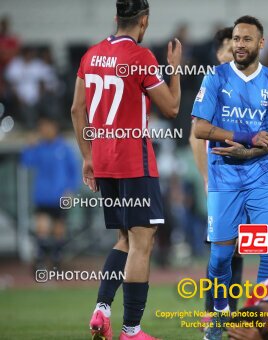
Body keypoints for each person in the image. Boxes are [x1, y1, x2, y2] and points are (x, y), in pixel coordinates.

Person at [70, 0, 181, 339]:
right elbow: (172, 108)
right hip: (134, 160)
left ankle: (102, 308)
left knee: (125, 238)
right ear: (144, 22)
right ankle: (131, 330)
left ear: (116, 17)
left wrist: (88, 157)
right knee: (142, 243)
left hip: (104, 161)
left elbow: (77, 110)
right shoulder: (141, 57)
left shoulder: (90, 55)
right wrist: (174, 68)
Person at [192, 15, 268, 340]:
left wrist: (250, 153)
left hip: (262, 179)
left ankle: (264, 327)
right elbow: (199, 128)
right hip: (224, 179)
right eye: (236, 39)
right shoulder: (214, 78)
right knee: (221, 256)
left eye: (246, 39)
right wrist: (248, 137)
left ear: (260, 43)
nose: (239, 44)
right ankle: (220, 315)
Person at [189, 26, 245, 326]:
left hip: (248, 181)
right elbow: (195, 136)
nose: (233, 50)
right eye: (227, 46)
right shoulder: (212, 83)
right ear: (218, 52)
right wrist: (206, 177)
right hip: (222, 181)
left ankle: (229, 313)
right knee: (221, 249)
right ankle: (212, 311)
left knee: (240, 249)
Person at [21, 116, 80, 271]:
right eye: (41, 127)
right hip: (42, 195)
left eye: (46, 126)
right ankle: (40, 260)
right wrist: (29, 146)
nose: (43, 130)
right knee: (42, 229)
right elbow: (26, 162)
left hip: (60, 196)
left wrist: (70, 190)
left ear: (54, 127)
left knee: (59, 230)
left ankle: (56, 261)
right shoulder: (39, 147)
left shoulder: (65, 148)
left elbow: (74, 172)